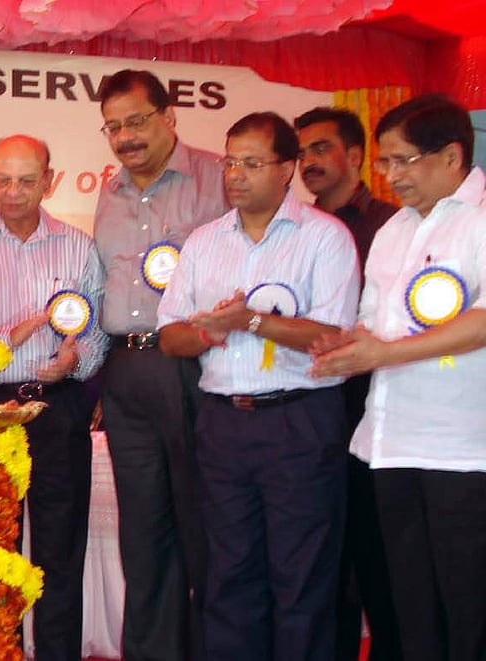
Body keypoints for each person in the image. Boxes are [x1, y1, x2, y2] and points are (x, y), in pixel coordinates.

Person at [158, 112, 360, 661]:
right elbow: (170, 334)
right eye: (230, 162)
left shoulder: (326, 238)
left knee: (302, 578)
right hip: (223, 423)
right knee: (228, 575)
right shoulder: (204, 241)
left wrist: (250, 321)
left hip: (300, 420)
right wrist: (208, 330)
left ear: (287, 169)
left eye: (252, 163)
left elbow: (333, 335)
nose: (236, 175)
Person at [311, 95, 486, 661]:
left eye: (403, 160)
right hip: (388, 446)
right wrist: (340, 347)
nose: (390, 176)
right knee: (407, 606)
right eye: (385, 163)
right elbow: (373, 324)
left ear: (452, 156)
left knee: (468, 606)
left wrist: (383, 354)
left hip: (461, 450)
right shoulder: (393, 230)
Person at [92, 69, 226, 661]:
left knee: (208, 526)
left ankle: (216, 648)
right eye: (113, 126)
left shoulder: (218, 179)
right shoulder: (110, 192)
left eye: (137, 121)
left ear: (169, 117)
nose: (125, 136)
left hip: (201, 368)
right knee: (142, 533)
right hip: (128, 371)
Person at [0, 134, 108, 661]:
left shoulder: (79, 246)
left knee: (60, 550)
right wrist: (16, 334)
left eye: (26, 180)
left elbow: (96, 330)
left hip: (57, 407)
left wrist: (77, 360)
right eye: (3, 179)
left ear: (50, 181)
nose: (14, 192)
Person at [294, 106, 402, 661]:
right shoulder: (294, 230)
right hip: (310, 415)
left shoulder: (392, 226)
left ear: (356, 157)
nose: (308, 161)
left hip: (377, 417)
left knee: (379, 559)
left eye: (321, 149)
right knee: (321, 564)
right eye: (302, 151)